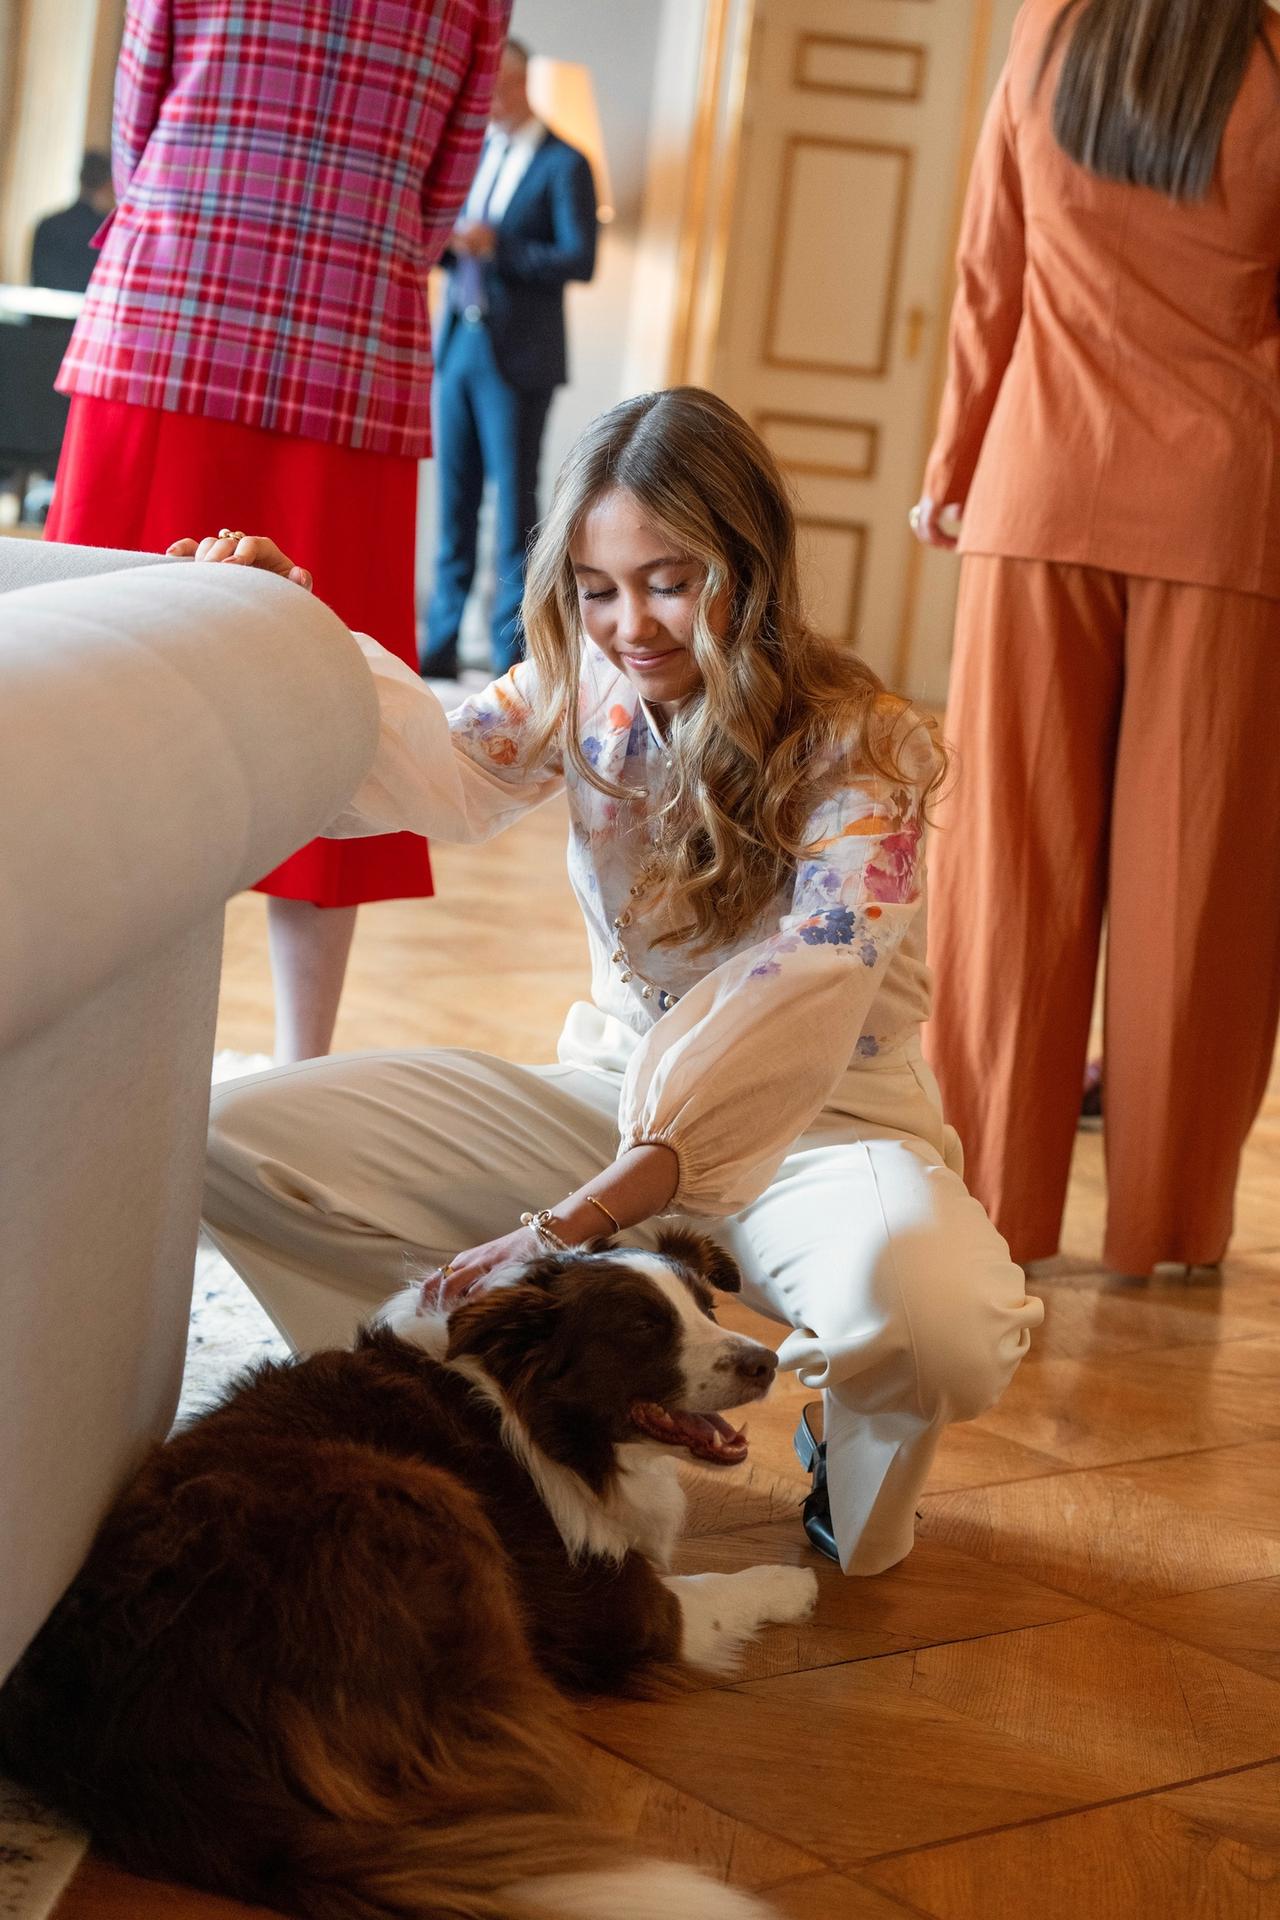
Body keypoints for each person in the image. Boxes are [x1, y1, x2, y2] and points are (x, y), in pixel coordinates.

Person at [195, 388, 1042, 1576]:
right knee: (230, 1141)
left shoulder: (869, 749)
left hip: (827, 1128)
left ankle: (847, 1444)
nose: (628, 624)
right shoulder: (583, 687)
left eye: (668, 581)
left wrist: (559, 1229)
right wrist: (285, 633)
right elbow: (440, 771)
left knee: (933, 1330)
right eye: (595, 588)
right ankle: (453, 1408)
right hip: (611, 1093)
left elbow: (803, 984)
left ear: (748, 568)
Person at [44, 0, 510, 1064]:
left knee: (81, 688)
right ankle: (306, 1067)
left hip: (169, 310)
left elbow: (137, 123)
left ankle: (70, 1042)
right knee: (334, 707)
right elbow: (444, 190)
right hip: (351, 333)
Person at [912, 0, 1280, 1278]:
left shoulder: (1042, 36)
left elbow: (988, 277)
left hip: (1037, 488)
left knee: (1008, 865)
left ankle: (991, 1203)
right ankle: (1165, 1223)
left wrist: (953, 467)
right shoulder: (1269, 65)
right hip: (1223, 508)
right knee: (1199, 882)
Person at [420, 36, 598, 683]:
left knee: (514, 509)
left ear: (521, 84)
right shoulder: (472, 156)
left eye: (495, 88)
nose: (485, 101)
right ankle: (439, 645)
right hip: (458, 344)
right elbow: (449, 246)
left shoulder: (564, 162)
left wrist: (499, 246)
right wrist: (447, 242)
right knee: (454, 502)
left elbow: (579, 259)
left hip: (518, 357)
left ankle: (510, 655)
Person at [30, 152, 114, 293]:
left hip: (46, 306)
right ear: (108, 185)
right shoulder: (107, 232)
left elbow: (37, 280)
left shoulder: (48, 224)